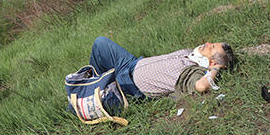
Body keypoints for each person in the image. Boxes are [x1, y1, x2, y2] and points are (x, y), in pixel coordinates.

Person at [88, 36, 236, 98]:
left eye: (212, 48)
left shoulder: (194, 71)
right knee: (100, 43)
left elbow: (201, 86)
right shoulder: (191, 55)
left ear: (212, 62)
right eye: (212, 43)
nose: (208, 44)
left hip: (129, 85)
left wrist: (215, 69)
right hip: (130, 63)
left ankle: (87, 93)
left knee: (90, 93)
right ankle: (92, 82)